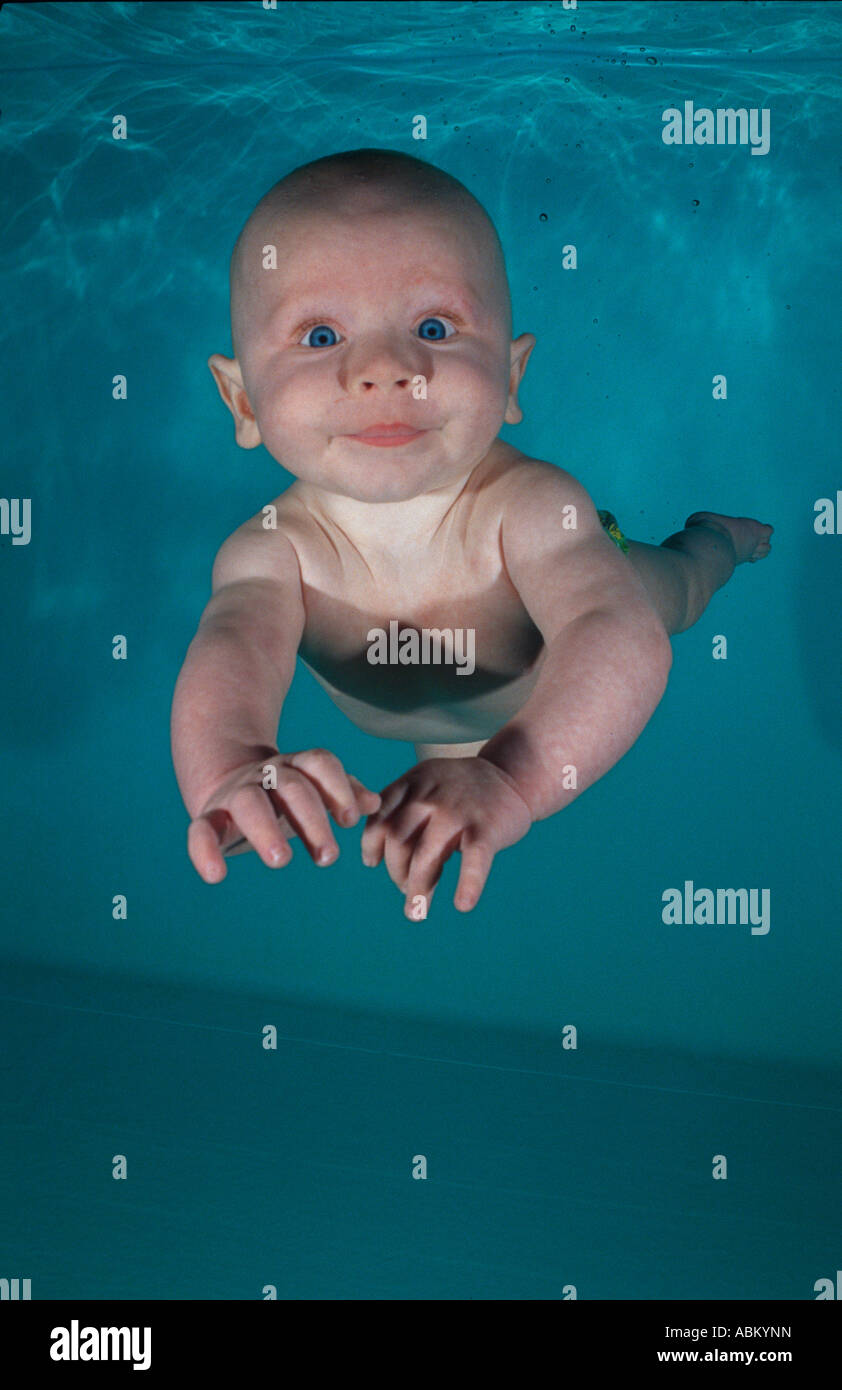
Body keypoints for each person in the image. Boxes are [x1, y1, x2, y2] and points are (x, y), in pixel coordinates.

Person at [171, 148, 772, 918]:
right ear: (242, 401)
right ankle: (457, 772)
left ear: (511, 377)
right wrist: (232, 769)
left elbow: (618, 634)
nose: (386, 369)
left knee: (680, 594)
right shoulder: (268, 549)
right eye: (320, 336)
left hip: (577, 606)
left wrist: (513, 778)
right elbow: (233, 654)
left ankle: (718, 537)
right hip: (441, 715)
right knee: (448, 763)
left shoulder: (527, 507)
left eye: (434, 325)